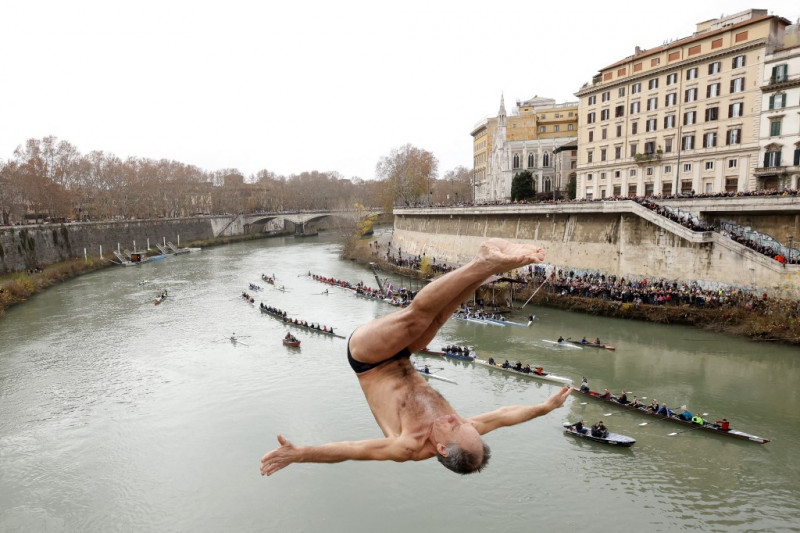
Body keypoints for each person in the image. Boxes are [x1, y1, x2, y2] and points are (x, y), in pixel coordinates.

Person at [260, 238, 571, 476]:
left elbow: (351, 450)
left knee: (415, 319)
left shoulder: (406, 445)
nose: (455, 418)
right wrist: (544, 407)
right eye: (463, 424)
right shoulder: (463, 430)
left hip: (369, 359)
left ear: (440, 448)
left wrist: (300, 454)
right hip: (403, 355)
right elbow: (504, 416)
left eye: (454, 425)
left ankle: (483, 262)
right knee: (439, 317)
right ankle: (491, 267)